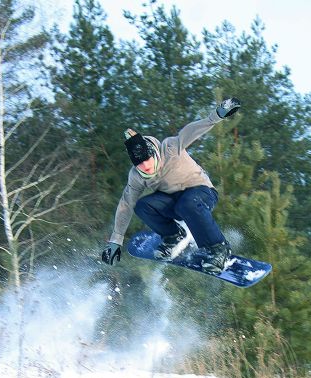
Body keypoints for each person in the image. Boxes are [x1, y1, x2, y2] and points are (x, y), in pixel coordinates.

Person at [101, 97, 241, 274]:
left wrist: (216, 115)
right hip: (174, 202)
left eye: (147, 161)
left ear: (153, 153)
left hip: (202, 192)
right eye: (140, 165)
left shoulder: (170, 148)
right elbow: (126, 204)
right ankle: (174, 236)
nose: (145, 167)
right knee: (143, 206)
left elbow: (191, 131)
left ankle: (218, 249)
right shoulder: (136, 176)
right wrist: (116, 240)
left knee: (187, 203)